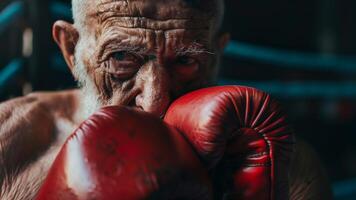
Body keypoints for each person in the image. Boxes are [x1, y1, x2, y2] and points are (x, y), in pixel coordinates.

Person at [0, 0, 332, 199]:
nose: (155, 102)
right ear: (71, 49)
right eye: (121, 58)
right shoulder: (10, 148)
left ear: (218, 54)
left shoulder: (285, 170)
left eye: (186, 62)